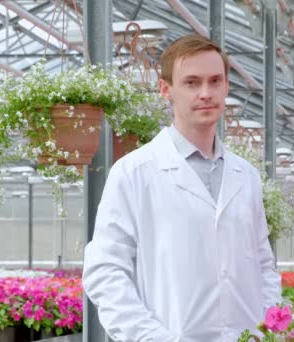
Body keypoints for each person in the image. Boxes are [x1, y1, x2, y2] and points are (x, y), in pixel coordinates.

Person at [82, 34, 282, 342]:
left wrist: (268, 327)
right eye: (191, 82)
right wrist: (152, 337)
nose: (206, 93)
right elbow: (105, 272)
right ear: (166, 89)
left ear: (226, 86)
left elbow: (263, 265)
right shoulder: (134, 173)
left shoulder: (247, 176)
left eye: (215, 81)